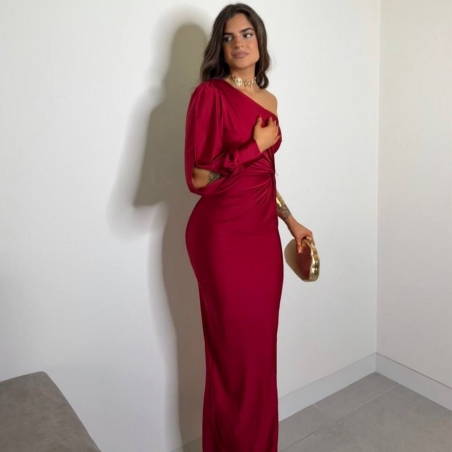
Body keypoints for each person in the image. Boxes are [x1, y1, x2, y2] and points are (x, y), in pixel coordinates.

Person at [184, 3, 314, 451]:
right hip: (221, 237)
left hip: (262, 237)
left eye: (246, 34)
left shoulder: (270, 101)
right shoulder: (209, 95)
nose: (238, 44)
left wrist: (291, 221)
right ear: (219, 47)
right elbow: (199, 178)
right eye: (228, 37)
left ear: (260, 41)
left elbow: (263, 177)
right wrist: (252, 146)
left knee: (258, 354)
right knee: (233, 357)